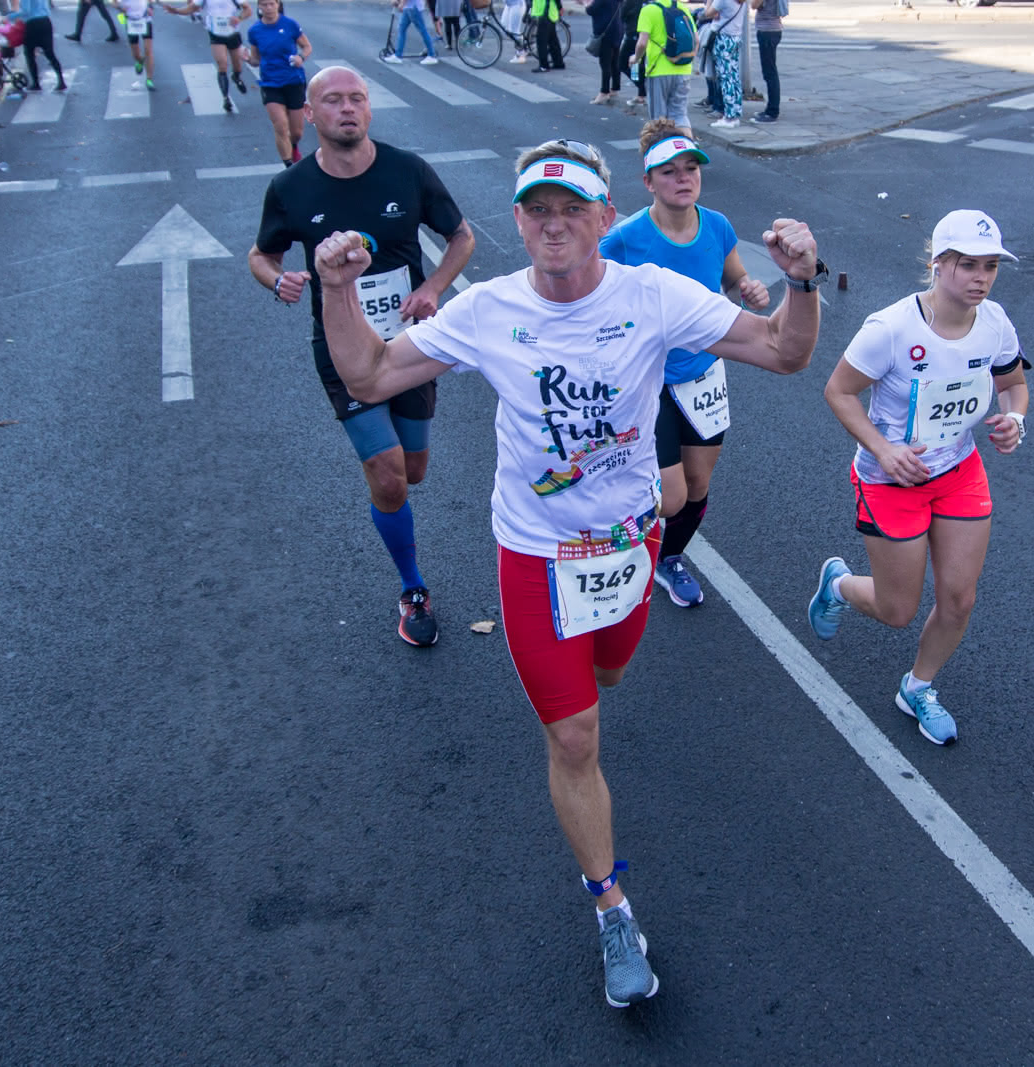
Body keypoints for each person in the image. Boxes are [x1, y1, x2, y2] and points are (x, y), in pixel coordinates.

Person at [313, 137, 823, 1008]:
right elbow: (368, 369)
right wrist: (336, 288)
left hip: (628, 546)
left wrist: (803, 282)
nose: (554, 225)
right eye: (537, 210)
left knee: (608, 676)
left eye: (572, 209)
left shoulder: (651, 295)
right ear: (518, 222)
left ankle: (581, 699)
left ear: (602, 216)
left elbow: (783, 351)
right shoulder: (487, 309)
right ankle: (610, 903)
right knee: (577, 736)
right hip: (536, 553)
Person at [248, 66, 475, 648]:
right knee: (390, 477)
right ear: (309, 114)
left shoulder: (407, 170)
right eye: (333, 100)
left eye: (357, 98)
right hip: (341, 349)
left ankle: (386, 461)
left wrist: (433, 289)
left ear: (370, 109)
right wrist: (278, 280)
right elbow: (261, 255)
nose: (347, 108)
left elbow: (461, 237)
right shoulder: (291, 188)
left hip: (408, 342)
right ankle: (413, 588)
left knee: (414, 469)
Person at [809, 209, 1030, 746]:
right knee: (897, 610)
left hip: (958, 470)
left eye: (990, 267)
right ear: (938, 264)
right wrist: (884, 451)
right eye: (968, 265)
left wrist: (1015, 419)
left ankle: (918, 687)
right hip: (891, 481)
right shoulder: (890, 329)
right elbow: (838, 391)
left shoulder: (995, 323)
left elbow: (1013, 385)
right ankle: (838, 585)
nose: (981, 278)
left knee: (959, 599)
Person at [600, 120, 770, 607]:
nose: (683, 178)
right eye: (669, 171)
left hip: (703, 376)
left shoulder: (716, 225)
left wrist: (748, 288)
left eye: (691, 168)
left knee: (697, 485)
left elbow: (733, 277)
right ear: (648, 182)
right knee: (670, 495)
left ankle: (669, 558)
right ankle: (621, 544)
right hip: (646, 381)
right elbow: (595, 299)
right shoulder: (623, 240)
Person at [245, 0, 306, 164]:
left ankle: (293, 145)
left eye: (271, 4)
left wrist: (301, 57)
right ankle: (288, 166)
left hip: (293, 80)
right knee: (280, 126)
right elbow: (256, 60)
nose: (268, 8)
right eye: (264, 5)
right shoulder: (255, 31)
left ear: (278, 4)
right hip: (270, 83)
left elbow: (307, 47)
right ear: (259, 6)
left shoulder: (290, 25)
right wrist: (248, 59)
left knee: (297, 132)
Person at [161, 0, 248, 112]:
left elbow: (248, 10)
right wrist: (176, 11)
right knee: (222, 65)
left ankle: (236, 76)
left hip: (233, 34)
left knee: (237, 67)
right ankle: (226, 99)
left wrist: (239, 18)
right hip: (216, 34)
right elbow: (192, 8)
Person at [630, 0, 691, 127]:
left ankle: (663, 140)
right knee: (680, 115)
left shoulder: (649, 10)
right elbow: (696, 40)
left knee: (658, 119)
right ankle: (687, 139)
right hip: (683, 68)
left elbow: (642, 43)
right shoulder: (682, 8)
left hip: (658, 70)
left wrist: (636, 58)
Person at [8, 0, 66, 92]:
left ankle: (36, 83)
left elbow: (26, 11)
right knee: (50, 53)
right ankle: (61, 80)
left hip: (32, 24)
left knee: (29, 54)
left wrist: (9, 17)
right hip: (46, 21)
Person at [699, 0, 739, 127]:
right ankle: (735, 113)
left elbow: (709, 13)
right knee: (733, 77)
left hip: (723, 38)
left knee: (725, 78)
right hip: (735, 37)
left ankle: (729, 117)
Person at [110, 0, 156, 91]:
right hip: (130, 21)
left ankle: (149, 79)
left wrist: (150, 7)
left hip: (145, 19)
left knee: (148, 50)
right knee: (136, 54)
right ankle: (140, 61)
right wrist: (120, 8)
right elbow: (113, 2)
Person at [748, 0, 779, 123]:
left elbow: (754, 5)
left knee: (770, 73)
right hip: (774, 28)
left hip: (767, 30)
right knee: (770, 72)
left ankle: (772, 112)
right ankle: (771, 109)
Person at [381, 0, 438, 64]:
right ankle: (397, 55)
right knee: (402, 29)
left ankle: (432, 55)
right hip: (409, 7)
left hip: (413, 7)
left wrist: (402, 4)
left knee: (422, 30)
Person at [585, 0, 620, 102]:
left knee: (605, 63)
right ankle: (615, 88)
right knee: (614, 61)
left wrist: (586, 3)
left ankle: (604, 92)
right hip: (617, 30)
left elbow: (591, 10)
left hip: (605, 33)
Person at [527, 0, 560, 71]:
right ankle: (559, 63)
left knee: (541, 41)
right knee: (552, 40)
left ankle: (544, 66)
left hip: (545, 12)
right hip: (549, 12)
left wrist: (560, 7)